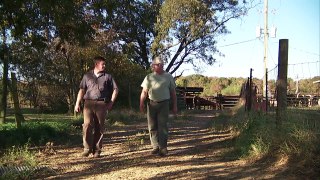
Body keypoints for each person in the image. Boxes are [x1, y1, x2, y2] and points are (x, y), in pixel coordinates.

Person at [74, 56, 119, 158]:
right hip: (88, 104)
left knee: (100, 127)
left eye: (104, 64)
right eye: (102, 64)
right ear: (96, 64)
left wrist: (111, 102)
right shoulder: (87, 76)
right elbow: (82, 90)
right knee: (87, 125)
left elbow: (116, 89)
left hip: (101, 104)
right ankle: (87, 149)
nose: (104, 66)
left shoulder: (108, 76)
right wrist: (77, 103)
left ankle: (97, 150)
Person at [139, 56, 177, 156]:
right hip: (152, 103)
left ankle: (163, 148)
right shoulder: (149, 77)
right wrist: (141, 103)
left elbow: (173, 92)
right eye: (156, 65)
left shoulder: (168, 76)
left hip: (164, 103)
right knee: (152, 126)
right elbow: (144, 91)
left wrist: (174, 105)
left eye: (160, 64)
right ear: (153, 66)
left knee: (163, 126)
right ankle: (155, 146)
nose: (158, 66)